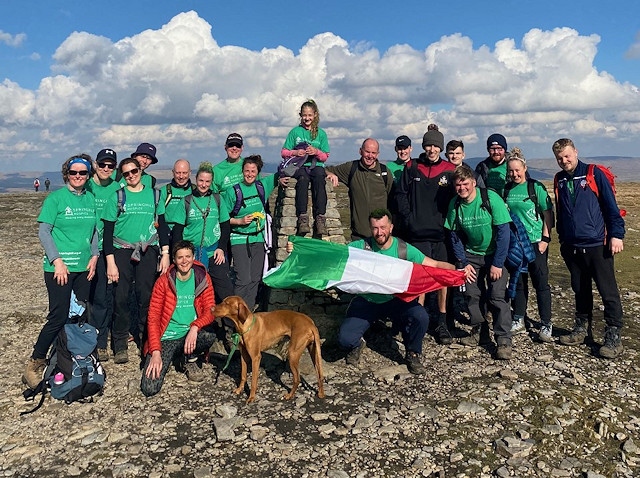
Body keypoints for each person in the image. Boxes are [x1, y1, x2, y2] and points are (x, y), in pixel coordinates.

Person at [337, 209, 461, 374]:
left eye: (383, 227)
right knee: (344, 339)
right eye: (375, 228)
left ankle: (413, 352)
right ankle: (357, 344)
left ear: (391, 227)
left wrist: (460, 271)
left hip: (396, 300)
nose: (379, 232)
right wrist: (296, 248)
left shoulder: (403, 249)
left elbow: (436, 265)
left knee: (421, 316)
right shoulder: (360, 247)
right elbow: (332, 255)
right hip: (368, 300)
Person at [23, 154, 99, 389]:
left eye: (83, 173)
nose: (78, 176)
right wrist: (57, 260)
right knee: (58, 316)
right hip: (60, 269)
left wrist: (95, 256)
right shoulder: (56, 199)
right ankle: (34, 364)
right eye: (74, 172)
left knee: (80, 316)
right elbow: (44, 232)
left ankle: (72, 357)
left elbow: (94, 231)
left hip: (84, 268)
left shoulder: (90, 199)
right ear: (67, 174)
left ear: (88, 176)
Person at [552, 138, 625, 358]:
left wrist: (616, 235)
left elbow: (611, 207)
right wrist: (563, 240)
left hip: (597, 244)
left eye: (567, 156)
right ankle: (581, 328)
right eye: (559, 158)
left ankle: (614, 336)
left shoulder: (594, 173)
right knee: (579, 288)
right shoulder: (560, 179)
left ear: (575, 152)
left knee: (607, 290)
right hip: (573, 246)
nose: (564, 161)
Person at [102, 157, 171, 364]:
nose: (131, 176)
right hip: (122, 251)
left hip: (148, 250)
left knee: (146, 297)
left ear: (141, 170)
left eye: (134, 171)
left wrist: (165, 253)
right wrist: (110, 262)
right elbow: (107, 233)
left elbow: (163, 226)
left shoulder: (155, 195)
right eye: (126, 173)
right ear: (122, 176)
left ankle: (147, 342)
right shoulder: (117, 197)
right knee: (120, 297)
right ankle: (120, 343)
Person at [444, 164, 513, 360]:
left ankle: (503, 339)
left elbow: (503, 232)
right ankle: (479, 332)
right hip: (471, 256)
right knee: (472, 295)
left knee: (497, 296)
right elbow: (454, 235)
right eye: (457, 185)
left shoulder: (490, 198)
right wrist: (463, 262)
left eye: (465, 183)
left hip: (494, 254)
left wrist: (498, 263)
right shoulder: (455, 205)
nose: (462, 188)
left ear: (473, 182)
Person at [396, 124, 456, 345]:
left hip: (441, 234)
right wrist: (408, 219)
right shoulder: (412, 167)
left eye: (435, 146)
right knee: (419, 278)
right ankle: (416, 320)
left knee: (441, 277)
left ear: (440, 148)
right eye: (428, 145)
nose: (432, 149)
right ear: (423, 146)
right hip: (417, 233)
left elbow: (457, 196)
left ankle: (441, 322)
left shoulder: (449, 170)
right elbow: (400, 194)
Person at [140, 240, 217, 396]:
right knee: (149, 388)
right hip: (167, 337)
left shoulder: (203, 277)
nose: (184, 261)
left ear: (193, 257)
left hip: (189, 334)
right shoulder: (163, 282)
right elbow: (153, 317)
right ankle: (174, 356)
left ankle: (189, 358)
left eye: (188, 256)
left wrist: (195, 327)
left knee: (209, 336)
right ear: (174, 260)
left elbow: (210, 311)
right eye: (180, 257)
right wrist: (155, 352)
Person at [503, 148, 554, 343]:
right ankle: (519, 317)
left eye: (518, 170)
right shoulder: (507, 189)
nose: (515, 174)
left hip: (535, 243)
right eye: (511, 171)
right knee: (519, 281)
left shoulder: (535, 188)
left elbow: (548, 214)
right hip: (516, 244)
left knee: (541, 283)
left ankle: (546, 323)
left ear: (525, 168)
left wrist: (545, 240)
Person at [223, 155, 283, 310]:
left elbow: (284, 171)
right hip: (239, 239)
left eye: (253, 171)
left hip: (258, 237)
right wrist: (239, 221)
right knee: (243, 279)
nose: (249, 174)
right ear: (242, 171)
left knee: (256, 278)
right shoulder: (233, 192)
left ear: (258, 172)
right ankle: (234, 314)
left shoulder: (262, 186)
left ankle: (247, 315)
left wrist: (327, 173)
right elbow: (223, 218)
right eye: (246, 171)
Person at [172, 162, 234, 304]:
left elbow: (225, 225)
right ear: (196, 179)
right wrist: (179, 256)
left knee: (225, 292)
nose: (204, 185)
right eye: (201, 180)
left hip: (214, 252)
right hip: (191, 255)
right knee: (196, 293)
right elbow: (178, 231)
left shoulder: (218, 200)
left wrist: (221, 248)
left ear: (211, 182)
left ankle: (229, 325)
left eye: (207, 181)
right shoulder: (186, 202)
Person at [85, 148, 122, 361]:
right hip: (85, 248)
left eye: (111, 166)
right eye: (102, 165)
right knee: (85, 295)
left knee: (103, 296)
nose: (106, 169)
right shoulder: (86, 185)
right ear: (96, 166)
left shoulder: (118, 188)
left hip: (107, 247)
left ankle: (100, 342)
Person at [326, 138, 393, 240]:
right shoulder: (351, 168)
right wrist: (330, 174)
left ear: (378, 154)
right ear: (360, 151)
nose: (370, 156)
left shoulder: (385, 172)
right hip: (359, 236)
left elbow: (392, 198)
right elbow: (325, 169)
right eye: (367, 152)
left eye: (373, 153)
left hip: (381, 235)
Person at [281, 99, 330, 235]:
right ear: (300, 115)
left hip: (317, 165)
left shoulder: (321, 134)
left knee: (320, 177)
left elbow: (325, 156)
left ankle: (320, 218)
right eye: (304, 115)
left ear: (315, 115)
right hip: (299, 166)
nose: (307, 118)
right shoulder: (295, 132)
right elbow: (284, 152)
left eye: (309, 115)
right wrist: (295, 152)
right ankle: (302, 217)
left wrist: (316, 152)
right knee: (302, 178)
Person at [160, 159, 194, 245]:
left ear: (190, 172)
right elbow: (160, 216)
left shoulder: (195, 191)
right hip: (169, 235)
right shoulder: (164, 191)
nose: (181, 176)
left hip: (190, 236)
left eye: (184, 173)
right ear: (173, 172)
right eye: (178, 173)